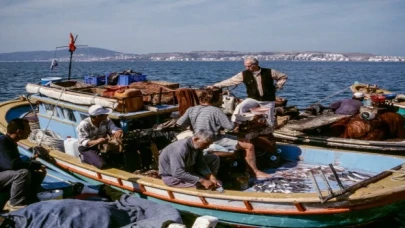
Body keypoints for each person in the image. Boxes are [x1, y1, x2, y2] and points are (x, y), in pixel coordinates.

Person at [176, 90, 272, 180]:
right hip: (214, 139)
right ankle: (254, 172)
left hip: (197, 137)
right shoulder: (216, 110)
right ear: (216, 100)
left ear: (200, 99)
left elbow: (180, 123)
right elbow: (230, 127)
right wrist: (237, 121)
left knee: (244, 140)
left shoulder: (191, 109)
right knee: (249, 146)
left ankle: (247, 169)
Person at [208, 57, 288, 127]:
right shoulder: (244, 74)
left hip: (268, 99)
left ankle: (269, 133)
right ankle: (235, 124)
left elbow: (283, 77)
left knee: (269, 119)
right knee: (240, 107)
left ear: (256, 64)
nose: (247, 68)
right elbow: (231, 81)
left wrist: (277, 86)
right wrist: (216, 85)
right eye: (245, 66)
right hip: (253, 98)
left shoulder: (270, 72)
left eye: (249, 66)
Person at [0, 118, 46, 211]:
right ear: (19, 131)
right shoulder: (3, 142)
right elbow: (11, 165)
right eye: (28, 129)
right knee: (22, 173)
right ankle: (15, 204)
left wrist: (32, 162)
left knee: (37, 172)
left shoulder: (11, 142)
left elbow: (13, 162)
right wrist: (34, 165)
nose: (30, 132)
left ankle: (30, 198)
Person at [77, 104, 123, 169]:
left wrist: (118, 131)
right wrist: (97, 141)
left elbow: (113, 128)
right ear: (97, 117)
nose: (107, 115)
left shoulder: (107, 120)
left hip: (101, 145)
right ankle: (84, 158)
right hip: (87, 148)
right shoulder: (84, 125)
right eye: (105, 114)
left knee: (117, 160)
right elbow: (83, 141)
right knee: (101, 165)